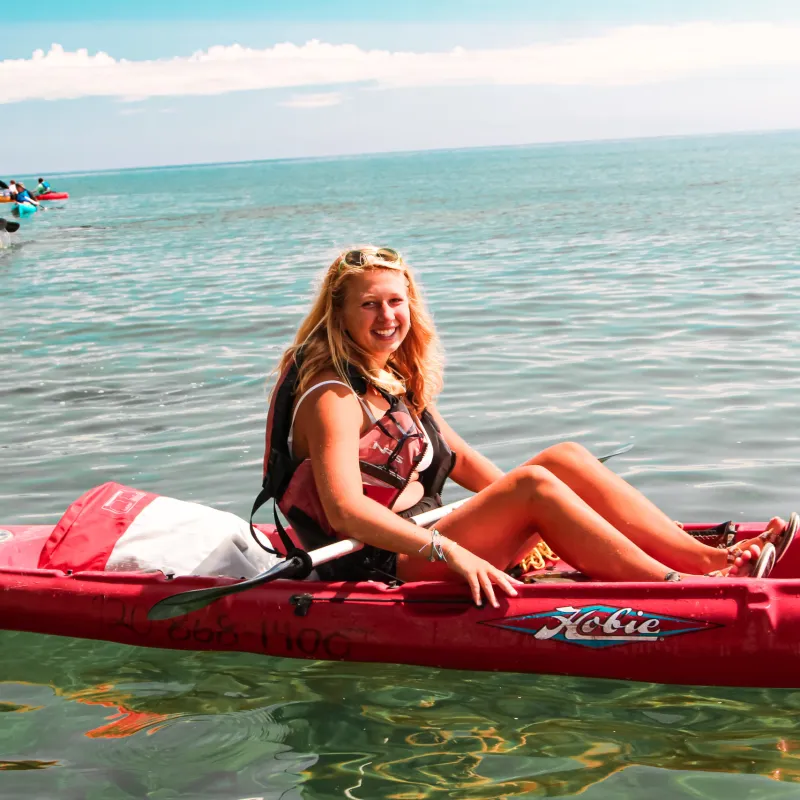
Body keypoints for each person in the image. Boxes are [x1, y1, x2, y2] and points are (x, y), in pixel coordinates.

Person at [260, 245, 795, 607]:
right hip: (376, 560)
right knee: (535, 486)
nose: (387, 317)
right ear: (340, 313)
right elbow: (345, 512)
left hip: (427, 532)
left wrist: (523, 523)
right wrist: (463, 546)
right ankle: (683, 590)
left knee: (562, 460)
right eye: (369, 305)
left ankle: (706, 558)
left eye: (396, 301)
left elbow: (459, 457)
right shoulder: (332, 394)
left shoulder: (388, 373)